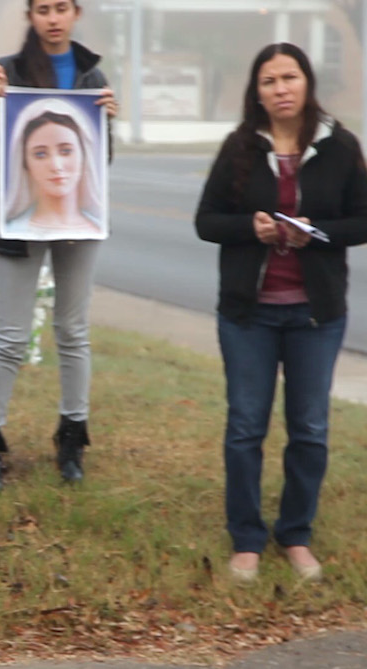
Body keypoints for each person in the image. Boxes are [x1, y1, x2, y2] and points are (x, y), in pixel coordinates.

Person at [195, 43, 367, 584]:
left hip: (316, 314)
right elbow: (206, 221)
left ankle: (296, 533)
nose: (281, 89)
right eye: (269, 81)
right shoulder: (239, 147)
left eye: (289, 77)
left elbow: (362, 222)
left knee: (310, 428)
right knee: (246, 427)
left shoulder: (340, 147)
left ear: (307, 83)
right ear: (258, 92)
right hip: (250, 314)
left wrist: (314, 232)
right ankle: (246, 538)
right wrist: (254, 227)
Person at [0, 0, 118, 487]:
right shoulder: (6, 72)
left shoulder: (93, 77)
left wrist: (107, 122)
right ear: (29, 16)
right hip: (19, 218)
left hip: (78, 221)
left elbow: (100, 158)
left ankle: (72, 435)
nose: (52, 18)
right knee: (9, 335)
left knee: (73, 331)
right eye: (42, 9)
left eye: (61, 8)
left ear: (77, 13)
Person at [2, 98, 105, 239]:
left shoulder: (96, 227)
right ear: (25, 162)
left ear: (84, 155)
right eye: (40, 154)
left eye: (66, 151)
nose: (56, 166)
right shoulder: (13, 229)